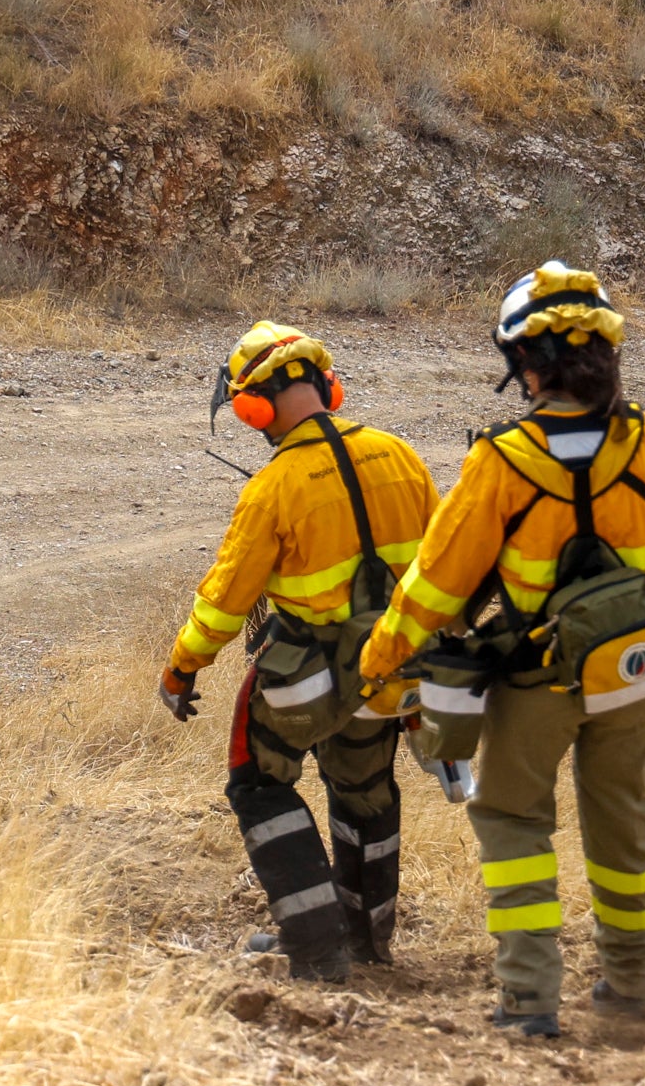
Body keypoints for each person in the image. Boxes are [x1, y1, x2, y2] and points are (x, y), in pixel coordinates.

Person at [359, 262, 645, 1036]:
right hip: (633, 678)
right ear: (607, 355)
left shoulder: (502, 461)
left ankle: (528, 998)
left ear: (525, 364)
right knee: (621, 818)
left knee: (511, 817)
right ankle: (633, 984)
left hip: (536, 684)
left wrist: (380, 663)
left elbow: (434, 586)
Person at [159, 323, 437, 982]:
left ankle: (315, 950)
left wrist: (182, 667)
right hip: (392, 671)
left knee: (258, 784)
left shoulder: (274, 487)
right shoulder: (401, 455)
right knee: (365, 795)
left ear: (254, 405)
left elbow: (225, 603)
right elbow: (444, 570)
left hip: (307, 679)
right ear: (325, 386)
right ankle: (368, 944)